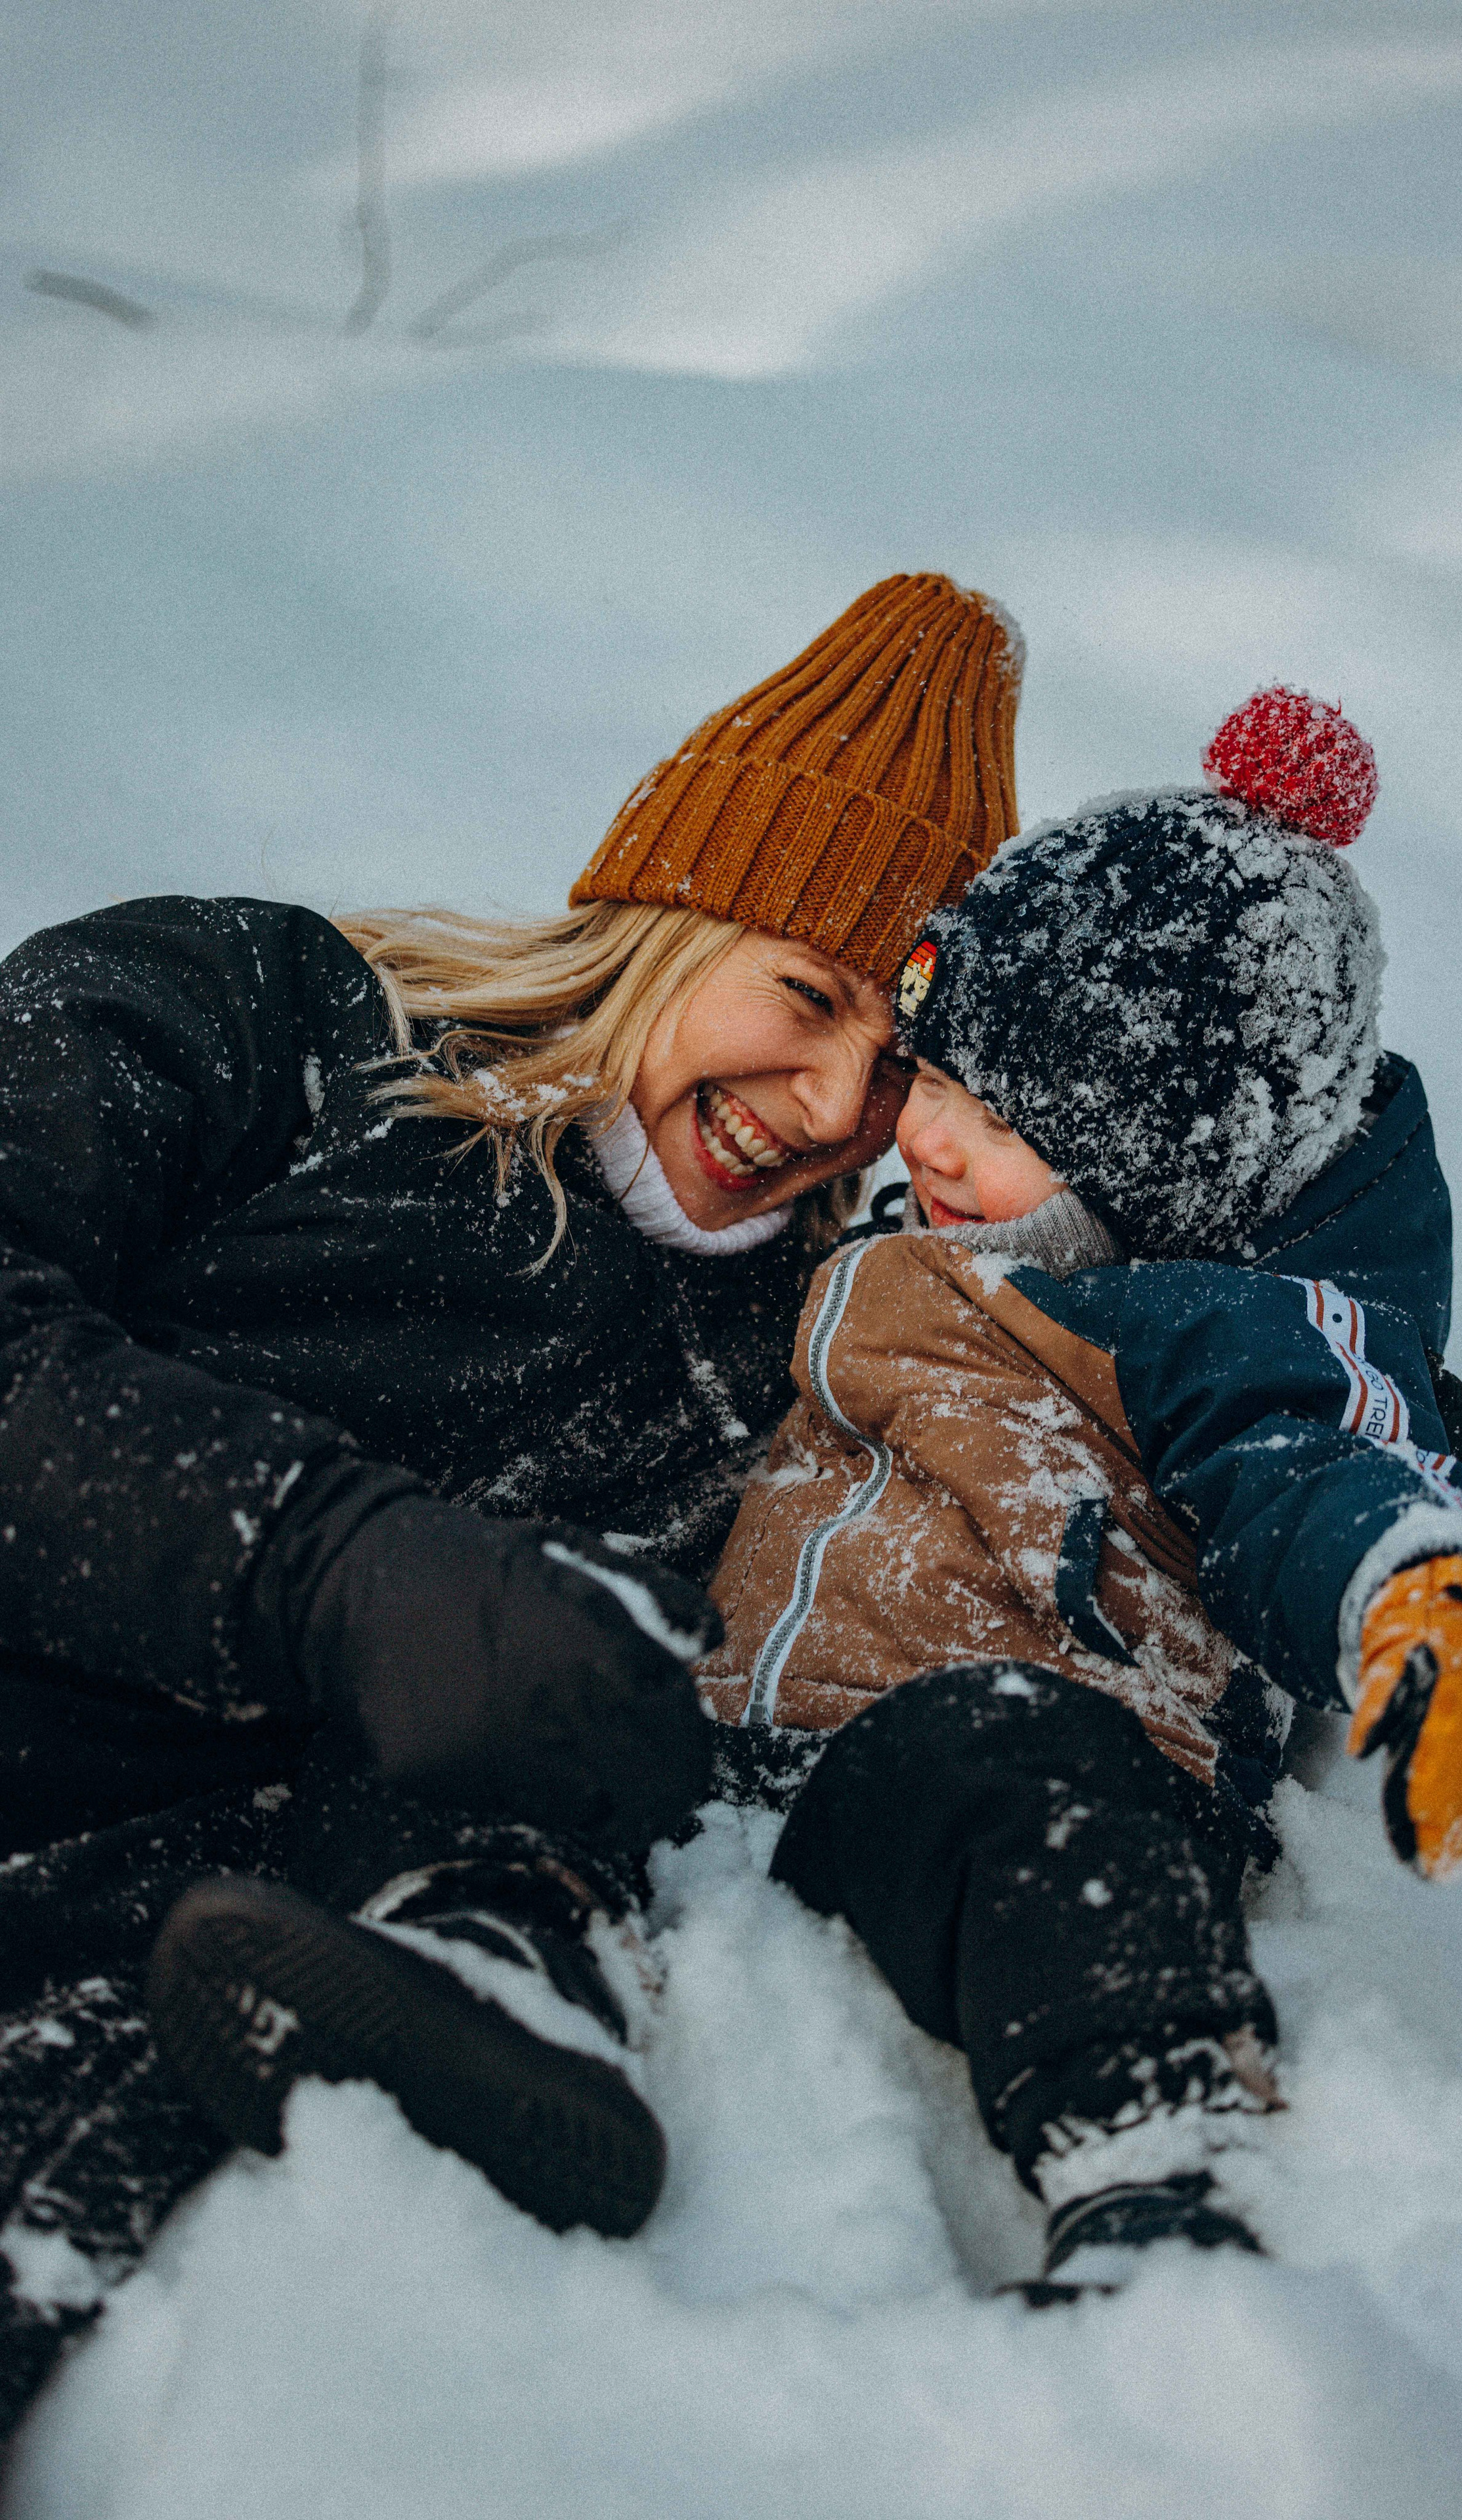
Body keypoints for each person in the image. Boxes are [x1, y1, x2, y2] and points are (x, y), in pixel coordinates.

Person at [0, 571, 1023, 2432]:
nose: (825, 1103)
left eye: (897, 1065)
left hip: (141, 1975)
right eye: (806, 993)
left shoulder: (796, 1365)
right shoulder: (270, 1011)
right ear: (671, 906)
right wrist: (329, 1562)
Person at [696, 688, 1462, 2299]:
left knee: (1011, 1769)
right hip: (759, 1760)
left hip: (1043, 1763)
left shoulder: (1186, 1325)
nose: (931, 1141)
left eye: (1004, 1123)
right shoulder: (905, 1246)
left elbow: (1306, 1454)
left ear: (1158, 1169)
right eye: (933, 1079)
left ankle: (1155, 2153)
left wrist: (1411, 1582)